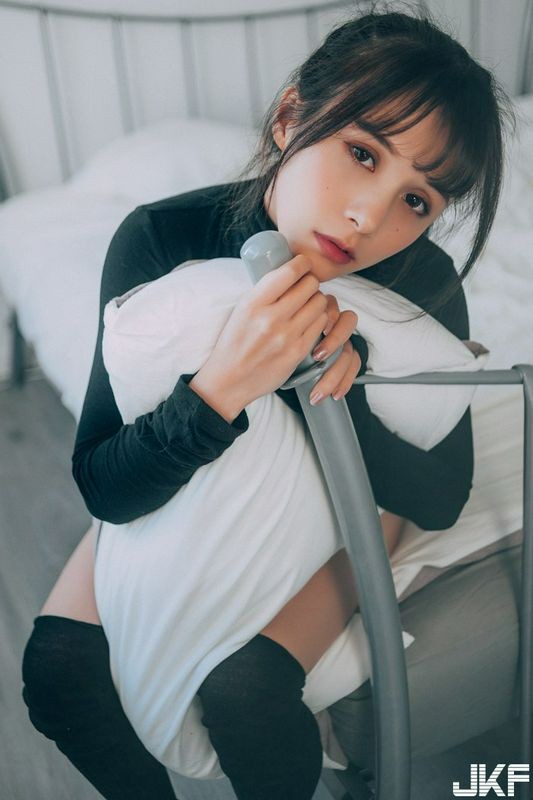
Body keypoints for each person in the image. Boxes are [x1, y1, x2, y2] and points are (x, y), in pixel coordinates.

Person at [21, 6, 515, 800]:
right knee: (59, 673)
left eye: (417, 201)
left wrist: (339, 387)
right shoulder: (164, 239)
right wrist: (221, 387)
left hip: (350, 495)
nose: (369, 217)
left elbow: (437, 496)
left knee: (247, 691)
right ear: (289, 118)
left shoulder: (419, 281)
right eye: (361, 153)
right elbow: (105, 487)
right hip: (191, 469)